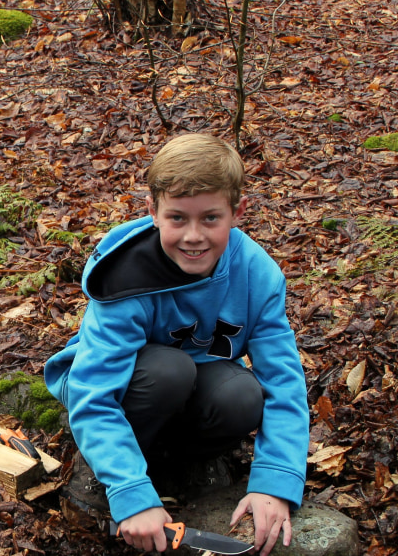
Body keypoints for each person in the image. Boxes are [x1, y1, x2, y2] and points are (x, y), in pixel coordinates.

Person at [44, 133, 309, 556]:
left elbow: (284, 382)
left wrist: (276, 481)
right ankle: (103, 471)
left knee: (241, 393)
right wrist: (131, 495)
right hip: (126, 389)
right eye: (177, 219)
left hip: (194, 390)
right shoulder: (125, 277)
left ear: (237, 212)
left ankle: (184, 462)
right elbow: (95, 393)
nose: (193, 236)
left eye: (210, 218)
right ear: (153, 212)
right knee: (169, 371)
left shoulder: (258, 275)